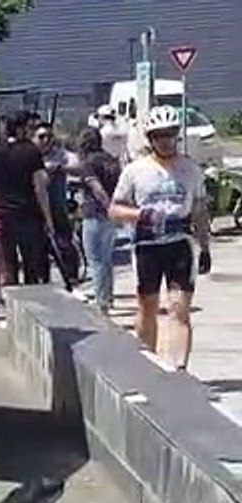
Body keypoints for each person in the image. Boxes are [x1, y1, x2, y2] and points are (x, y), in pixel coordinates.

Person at [109, 105, 213, 371]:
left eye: (170, 134)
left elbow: (200, 210)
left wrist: (205, 246)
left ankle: (179, 368)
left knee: (179, 307)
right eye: (159, 136)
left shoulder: (190, 169)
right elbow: (115, 209)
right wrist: (141, 215)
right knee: (148, 305)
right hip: (147, 244)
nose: (165, 141)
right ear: (150, 139)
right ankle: (147, 362)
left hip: (180, 243)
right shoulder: (135, 171)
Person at [0, 110, 56, 286]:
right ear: (20, 129)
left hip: (3, 215)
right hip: (28, 215)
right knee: (32, 266)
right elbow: (39, 187)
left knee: (9, 267)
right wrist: (48, 219)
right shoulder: (30, 152)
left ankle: (12, 305)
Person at [77, 127, 123, 314]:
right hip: (110, 216)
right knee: (106, 259)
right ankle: (109, 297)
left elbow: (96, 188)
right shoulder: (110, 160)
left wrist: (107, 205)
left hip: (94, 213)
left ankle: (101, 301)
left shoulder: (89, 163)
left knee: (95, 259)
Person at [32, 122, 83, 286]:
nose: (46, 140)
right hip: (35, 210)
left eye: (49, 136)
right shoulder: (29, 156)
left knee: (65, 245)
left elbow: (78, 165)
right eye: (41, 137)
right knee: (38, 250)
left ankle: (72, 278)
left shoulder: (59, 154)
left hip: (57, 208)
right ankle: (43, 281)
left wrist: (60, 167)